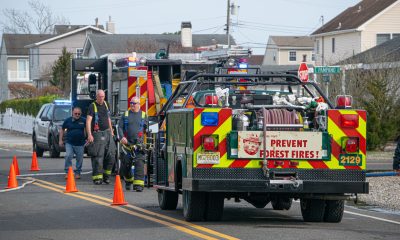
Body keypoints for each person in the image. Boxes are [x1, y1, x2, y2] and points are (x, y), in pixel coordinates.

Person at [86, 90, 116, 185]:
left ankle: (106, 176)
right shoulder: (92, 106)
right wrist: (89, 134)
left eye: (103, 96)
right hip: (97, 134)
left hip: (107, 132)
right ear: (97, 97)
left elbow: (108, 118)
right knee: (98, 156)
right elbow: (88, 121)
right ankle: (97, 178)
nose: (102, 98)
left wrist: (111, 131)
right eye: (100, 96)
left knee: (111, 155)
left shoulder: (107, 104)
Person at [117, 96, 147, 192]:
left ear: (139, 104)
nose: (132, 105)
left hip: (138, 145)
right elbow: (120, 127)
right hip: (127, 146)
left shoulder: (144, 115)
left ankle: (138, 185)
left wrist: (145, 141)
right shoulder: (125, 115)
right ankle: (128, 180)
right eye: (131, 103)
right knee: (125, 166)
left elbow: (148, 129)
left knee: (139, 164)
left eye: (134, 103)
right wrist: (122, 137)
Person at [59, 107, 86, 179]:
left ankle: (78, 173)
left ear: (81, 114)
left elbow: (88, 129)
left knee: (79, 159)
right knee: (68, 156)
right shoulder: (68, 120)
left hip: (80, 143)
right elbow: (62, 129)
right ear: (72, 113)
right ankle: (68, 172)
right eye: (75, 113)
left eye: (79, 114)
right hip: (69, 143)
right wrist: (60, 140)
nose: (77, 115)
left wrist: (88, 139)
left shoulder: (84, 120)